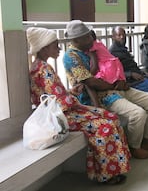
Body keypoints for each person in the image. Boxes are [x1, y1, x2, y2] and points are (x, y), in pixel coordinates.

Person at [26, 27, 130, 185]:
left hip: (63, 109)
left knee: (111, 117)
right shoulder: (44, 69)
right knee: (105, 125)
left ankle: (114, 167)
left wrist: (71, 92)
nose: (59, 48)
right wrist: (80, 104)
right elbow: (59, 101)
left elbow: (54, 94)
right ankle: (105, 174)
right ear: (45, 48)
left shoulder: (39, 67)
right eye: (55, 45)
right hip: (62, 115)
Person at [62, 20, 148, 160]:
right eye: (87, 37)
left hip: (114, 86)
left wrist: (121, 80)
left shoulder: (93, 48)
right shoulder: (71, 56)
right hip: (101, 96)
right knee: (138, 114)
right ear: (77, 40)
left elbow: (111, 66)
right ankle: (134, 147)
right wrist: (115, 85)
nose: (91, 38)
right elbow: (90, 82)